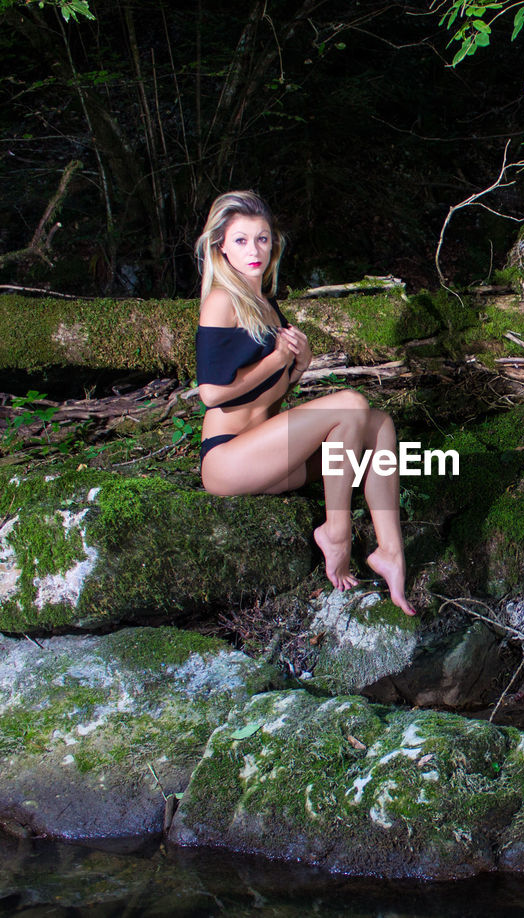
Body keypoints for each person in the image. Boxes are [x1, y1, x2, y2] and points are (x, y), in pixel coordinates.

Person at [193, 190, 415, 616]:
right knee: (350, 404)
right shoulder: (221, 300)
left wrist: (298, 367)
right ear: (221, 245)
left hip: (269, 455)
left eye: (262, 238)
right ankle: (337, 531)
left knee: (379, 424)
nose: (254, 249)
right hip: (227, 459)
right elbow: (212, 393)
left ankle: (391, 552)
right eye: (240, 240)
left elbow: (267, 395)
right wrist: (278, 358)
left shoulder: (266, 306)